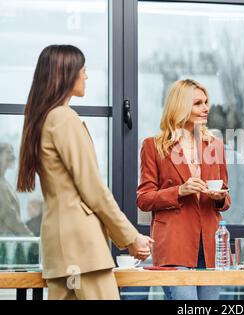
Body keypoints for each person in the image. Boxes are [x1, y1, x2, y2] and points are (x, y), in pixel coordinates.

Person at [16, 44, 153, 300]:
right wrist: (131, 237)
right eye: (83, 69)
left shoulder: (43, 118)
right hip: (82, 249)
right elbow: (93, 189)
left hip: (60, 249)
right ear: (66, 74)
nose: (86, 76)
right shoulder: (64, 118)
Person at [137, 79, 231, 300]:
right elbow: (144, 199)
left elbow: (226, 198)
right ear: (180, 106)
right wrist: (180, 191)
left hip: (211, 246)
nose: (206, 108)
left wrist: (218, 197)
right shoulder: (153, 145)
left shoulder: (214, 145)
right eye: (198, 103)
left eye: (206, 102)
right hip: (174, 245)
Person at [0, 143, 33, 236]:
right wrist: (28, 235)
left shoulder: (4, 181)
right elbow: (8, 214)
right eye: (8, 152)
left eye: (12, 152)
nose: (13, 156)